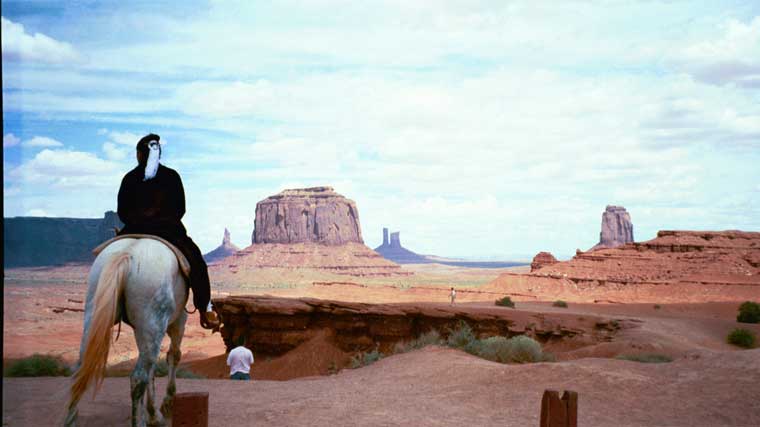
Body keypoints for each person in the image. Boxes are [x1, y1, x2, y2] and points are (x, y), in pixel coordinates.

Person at [116, 133, 219, 330]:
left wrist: (140, 221)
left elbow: (122, 211)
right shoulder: (171, 176)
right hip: (168, 230)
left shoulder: (129, 178)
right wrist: (160, 220)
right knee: (196, 262)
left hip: (133, 229)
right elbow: (180, 209)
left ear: (139, 155)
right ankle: (205, 308)